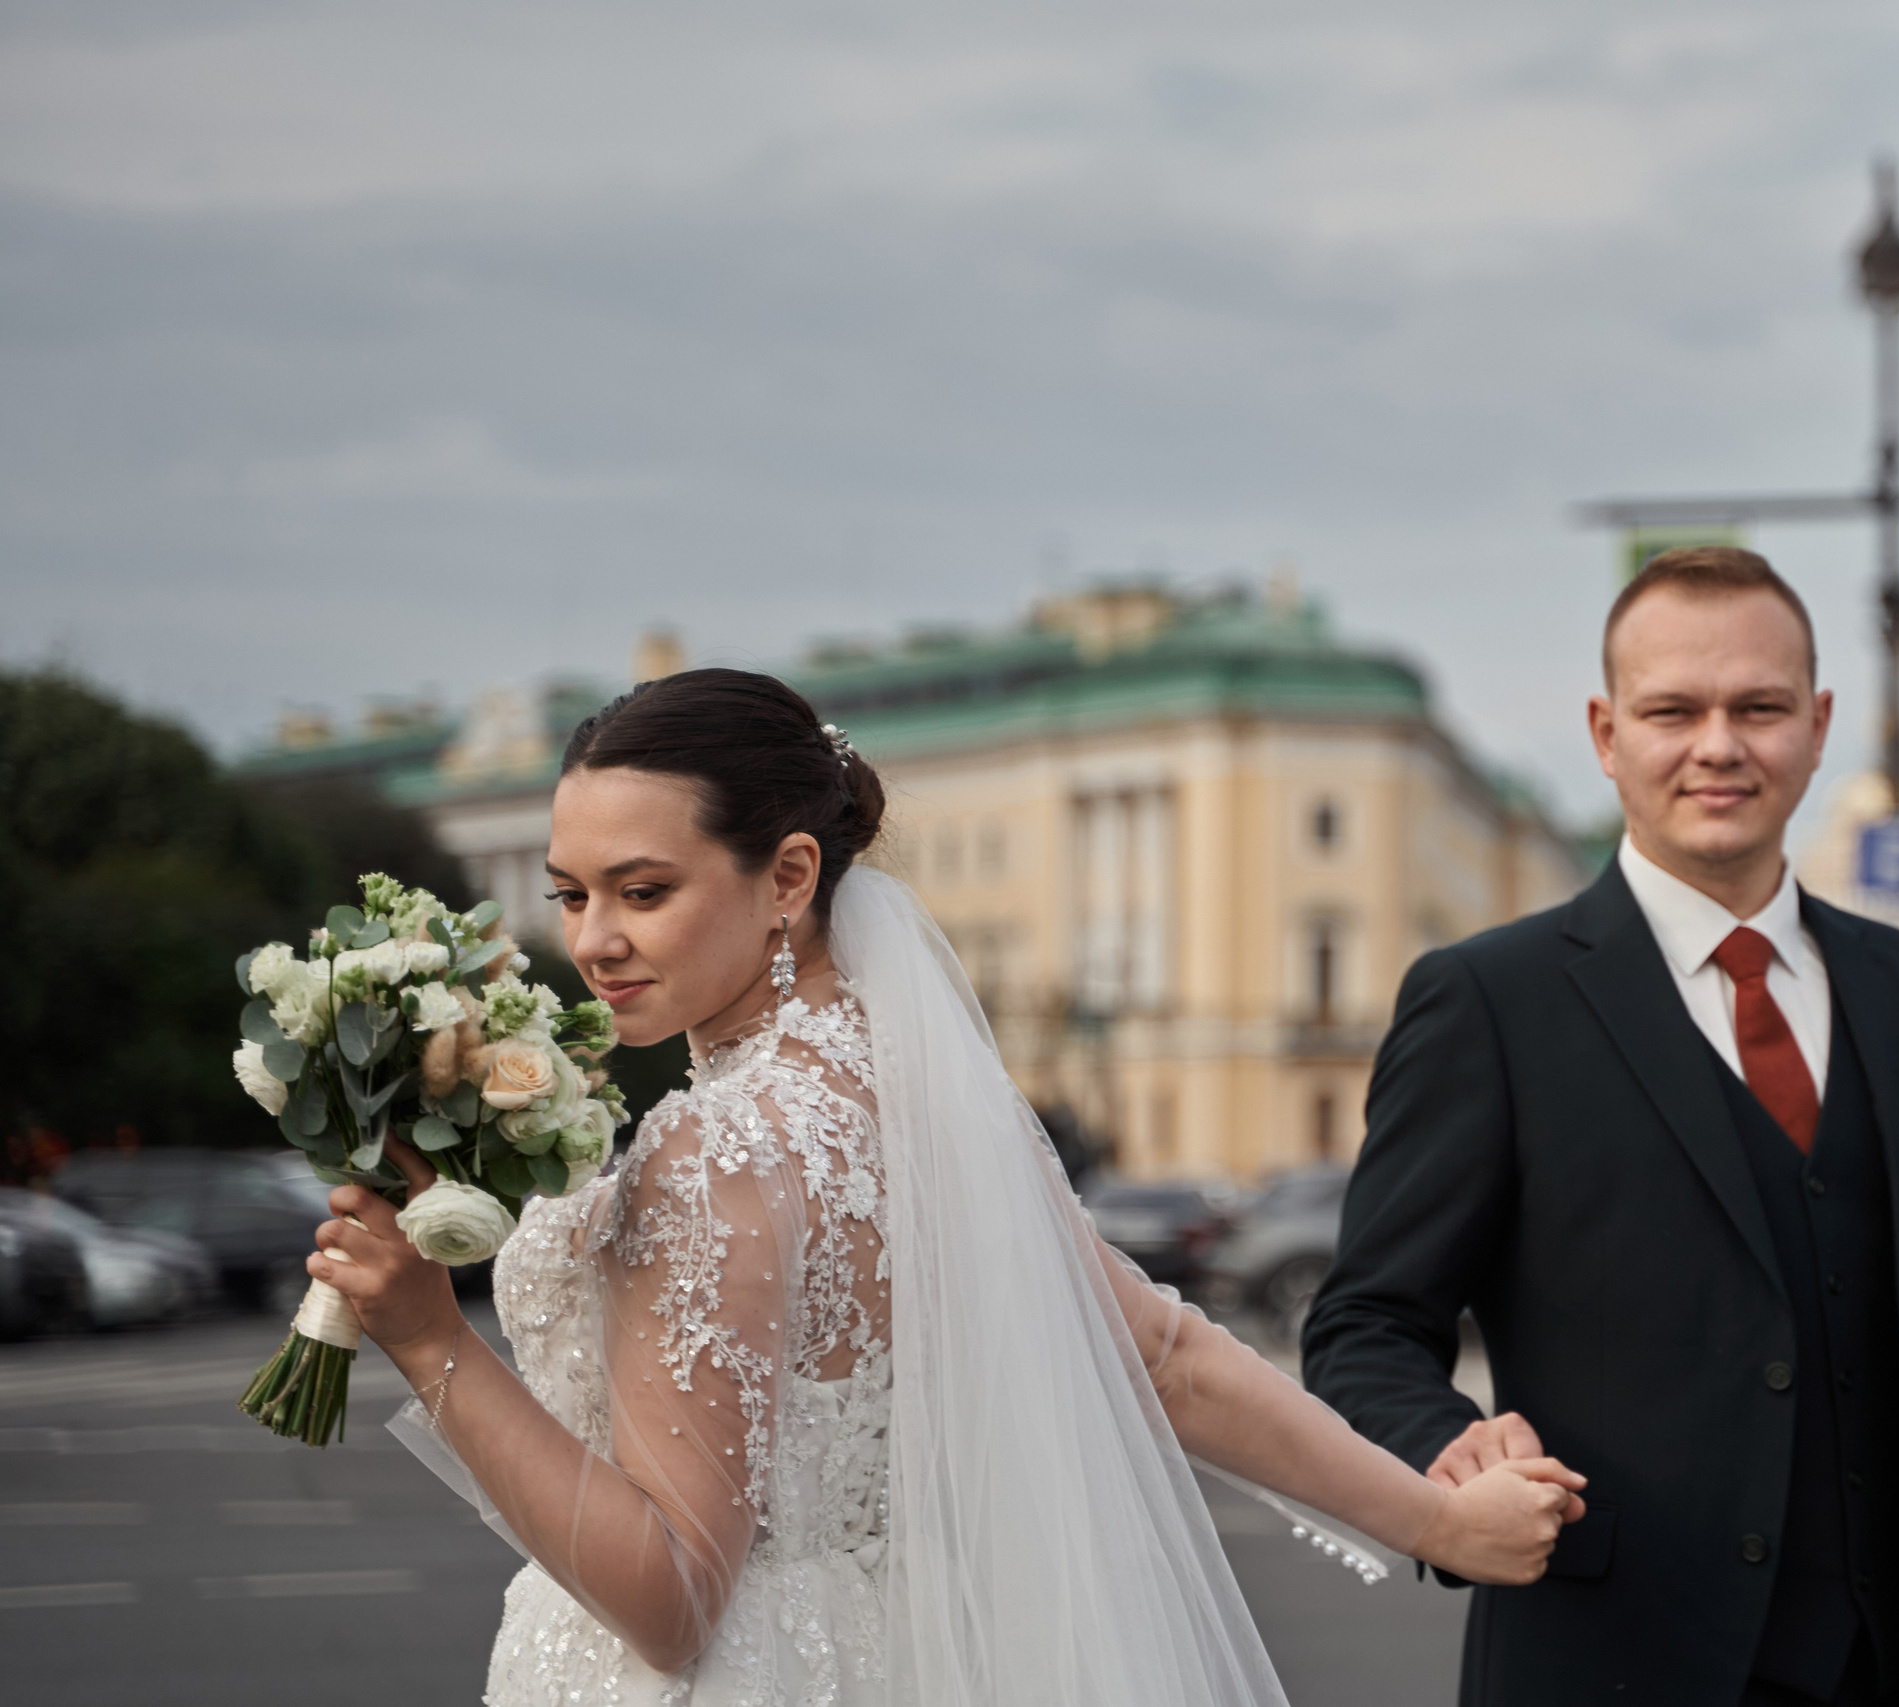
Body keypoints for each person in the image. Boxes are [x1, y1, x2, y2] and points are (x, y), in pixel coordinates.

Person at [307, 668, 1583, 1707]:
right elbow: (1165, 1355)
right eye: (574, 896)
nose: (593, 943)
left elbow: (668, 1599)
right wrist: (1431, 1520)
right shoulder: (920, 1101)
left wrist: (429, 1341)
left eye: (644, 892)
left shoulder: (718, 1153)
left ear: (791, 878)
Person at [1303, 551, 1899, 1707]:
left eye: (1760, 708)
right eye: (1673, 710)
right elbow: (1365, 1325)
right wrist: (1451, 1448)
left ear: (1819, 723)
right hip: (1604, 1666)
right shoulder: (1489, 1003)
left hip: (1892, 1677)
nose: (1719, 745)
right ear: (1605, 731)